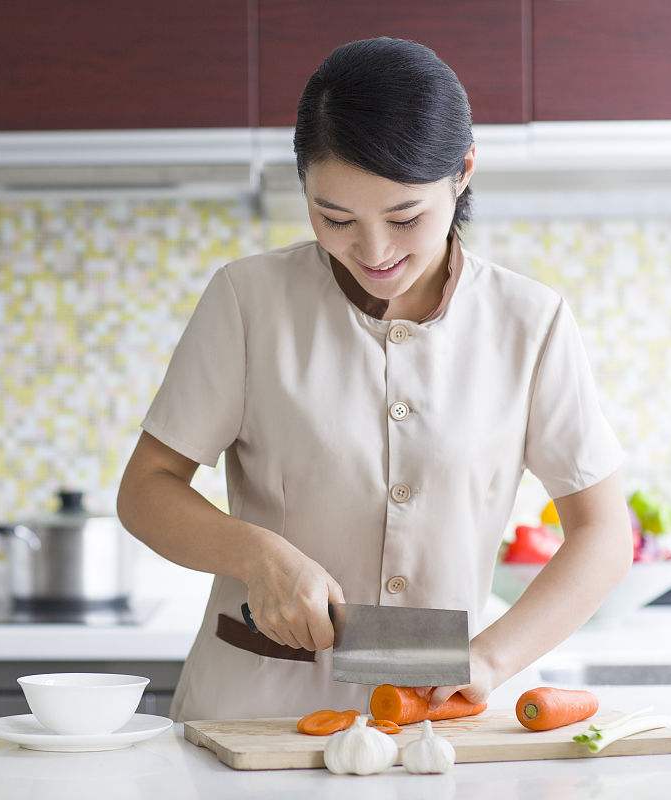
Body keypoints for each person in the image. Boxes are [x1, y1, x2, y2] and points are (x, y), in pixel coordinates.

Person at [116, 37, 632, 723]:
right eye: (335, 218)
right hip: (255, 717)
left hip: (438, 715)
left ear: (462, 172)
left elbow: (603, 533)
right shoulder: (248, 301)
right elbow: (145, 490)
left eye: (404, 217)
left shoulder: (529, 323)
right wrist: (258, 555)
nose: (374, 250)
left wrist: (491, 658)